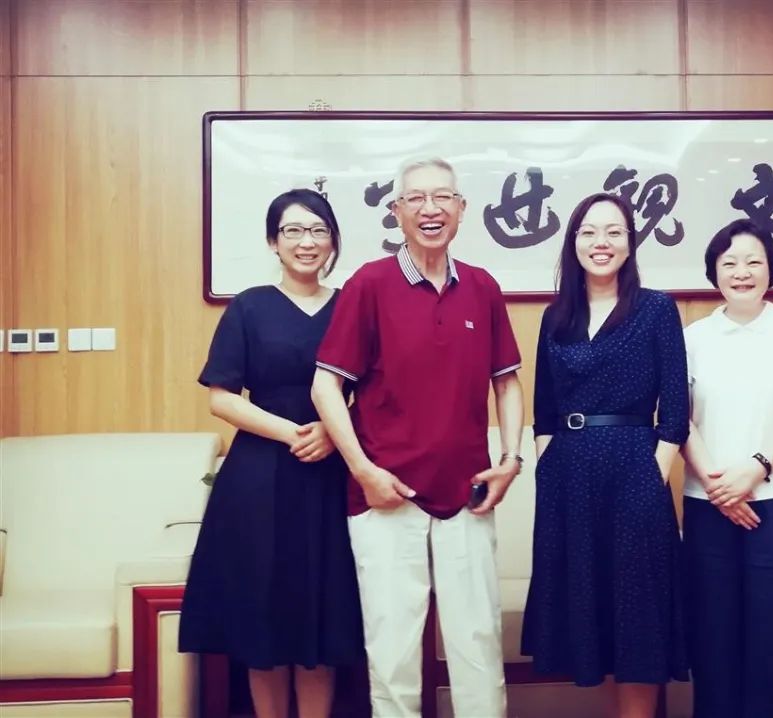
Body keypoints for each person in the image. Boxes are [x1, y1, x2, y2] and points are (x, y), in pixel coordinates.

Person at [310, 157, 524, 718]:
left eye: (443, 197)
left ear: (462, 208)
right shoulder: (369, 284)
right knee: (393, 651)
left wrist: (510, 459)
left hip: (468, 494)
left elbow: (506, 382)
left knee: (477, 643)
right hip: (385, 495)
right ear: (397, 211)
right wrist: (364, 471)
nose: (431, 209)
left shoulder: (482, 287)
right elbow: (326, 386)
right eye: (417, 199)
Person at [180, 189, 363, 718]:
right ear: (273, 242)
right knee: (264, 615)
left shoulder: (352, 305)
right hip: (259, 479)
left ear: (333, 241)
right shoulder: (250, 306)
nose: (307, 242)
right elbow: (221, 398)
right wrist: (293, 433)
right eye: (293, 231)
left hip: (331, 477)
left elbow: (376, 394)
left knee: (320, 617)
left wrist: (333, 432)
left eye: (319, 230)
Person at [521, 192, 690, 718]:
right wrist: (549, 467)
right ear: (573, 242)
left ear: (630, 242)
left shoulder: (656, 309)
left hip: (635, 469)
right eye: (590, 232)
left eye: (614, 232)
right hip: (568, 477)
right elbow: (544, 409)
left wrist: (653, 474)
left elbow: (676, 407)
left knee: (638, 611)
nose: (602, 242)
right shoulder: (556, 316)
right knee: (589, 608)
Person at [680, 218, 773, 718]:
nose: (741, 272)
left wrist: (754, 470)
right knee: (713, 636)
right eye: (729, 263)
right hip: (708, 505)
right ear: (713, 272)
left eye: (753, 262)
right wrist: (718, 487)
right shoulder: (693, 337)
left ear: (771, 269)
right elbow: (679, 419)